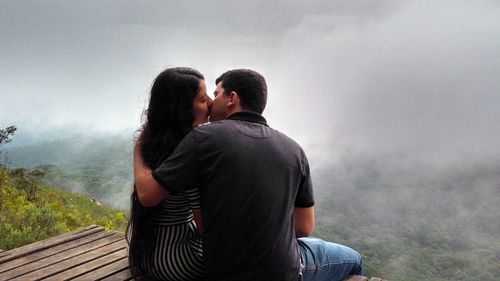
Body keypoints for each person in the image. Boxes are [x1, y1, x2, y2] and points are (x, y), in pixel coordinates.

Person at [135, 69, 363, 281]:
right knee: (353, 259)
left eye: (216, 94)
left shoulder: (202, 139)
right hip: (283, 270)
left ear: (232, 98)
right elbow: (303, 229)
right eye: (206, 97)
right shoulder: (294, 150)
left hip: (218, 267)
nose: (212, 102)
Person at [126, 67, 212, 281]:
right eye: (203, 99)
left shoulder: (152, 142)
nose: (210, 102)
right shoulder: (189, 151)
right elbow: (203, 226)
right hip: (180, 261)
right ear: (183, 109)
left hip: (144, 256)